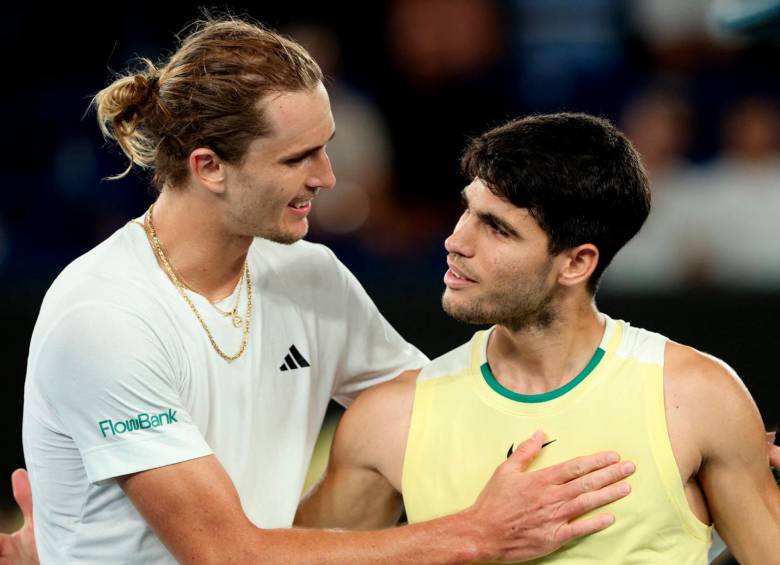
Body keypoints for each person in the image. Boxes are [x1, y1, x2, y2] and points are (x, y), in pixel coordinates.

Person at [3, 18, 637, 565]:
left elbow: (434, 413)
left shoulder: (310, 275)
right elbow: (227, 554)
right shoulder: (106, 317)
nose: (328, 177)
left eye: (326, 147)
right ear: (209, 167)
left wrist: (647, 468)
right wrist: (476, 535)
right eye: (297, 158)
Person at [295, 113, 780, 564]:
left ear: (576, 263)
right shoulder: (388, 419)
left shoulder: (700, 398)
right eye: (468, 210)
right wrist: (469, 535)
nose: (457, 241)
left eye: (497, 229)